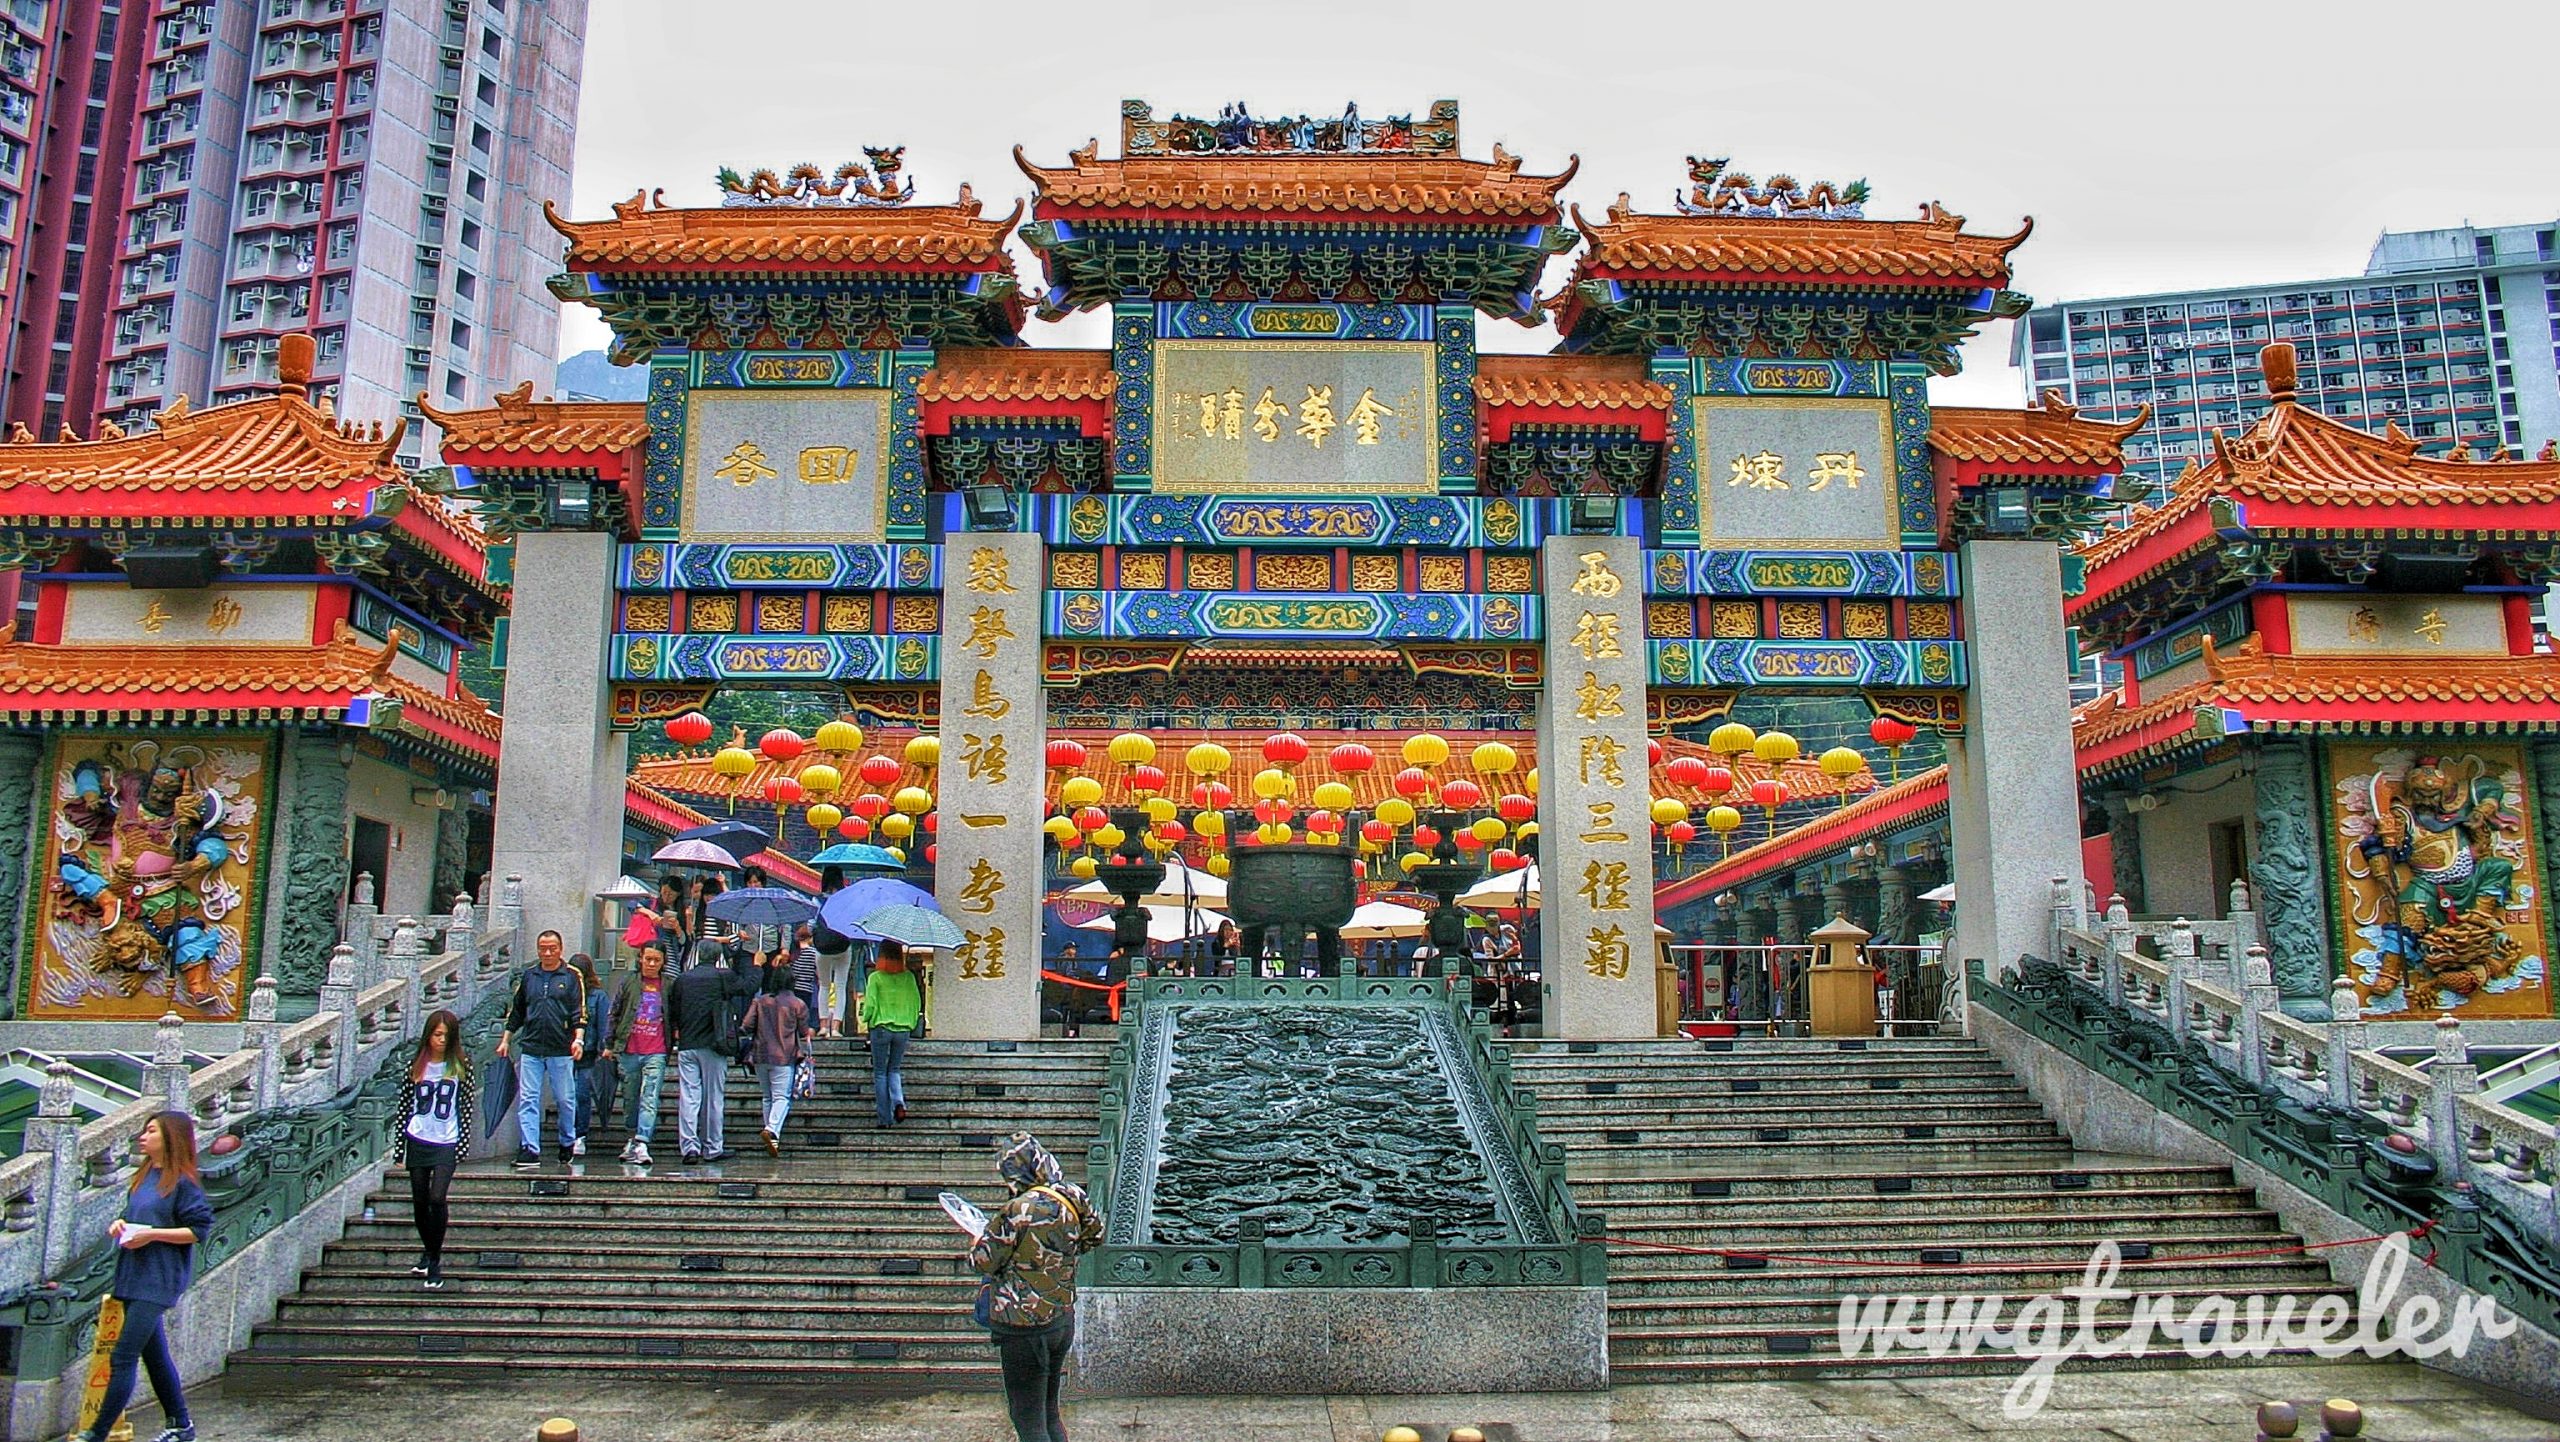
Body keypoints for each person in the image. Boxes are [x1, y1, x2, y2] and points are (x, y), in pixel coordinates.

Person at [80, 1112, 213, 1442]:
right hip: (133, 1274)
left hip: (158, 1279)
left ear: (171, 1138)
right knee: (155, 1356)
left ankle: (96, 1433)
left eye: (151, 1131)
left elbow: (198, 1230)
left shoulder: (182, 1182)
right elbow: (132, 1216)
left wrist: (153, 1235)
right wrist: (120, 1225)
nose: (143, 1136)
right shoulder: (143, 1177)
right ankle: (181, 1425)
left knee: (123, 1355)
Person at [970, 1132, 1103, 1442]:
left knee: (1027, 1419)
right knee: (1049, 1412)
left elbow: (983, 1261)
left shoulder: (1017, 1210)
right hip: (1060, 1319)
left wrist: (978, 1240)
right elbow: (1094, 1237)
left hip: (1023, 1325)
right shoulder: (1071, 1195)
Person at [391, 1008, 474, 1289]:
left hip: (446, 1139)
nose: (440, 1040)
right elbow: (404, 1108)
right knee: (419, 1200)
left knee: (437, 1198)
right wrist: (399, 1150)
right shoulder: (416, 1067)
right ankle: (428, 1251)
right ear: (428, 1036)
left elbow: (465, 1107)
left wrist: (462, 1145)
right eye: (437, 1034)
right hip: (418, 1137)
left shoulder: (461, 1066)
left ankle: (435, 1259)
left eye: (446, 1036)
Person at [497, 929, 587, 1169]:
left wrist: (578, 1039)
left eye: (552, 948)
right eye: (543, 948)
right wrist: (506, 1039)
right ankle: (530, 1148)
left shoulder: (570, 976)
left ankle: (567, 1140)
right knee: (528, 1098)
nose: (547, 953)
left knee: (565, 1099)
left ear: (560, 949)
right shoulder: (529, 977)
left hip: (561, 1048)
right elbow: (517, 1011)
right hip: (532, 1047)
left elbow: (579, 1010)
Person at [606, 946, 673, 1165]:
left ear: (663, 962)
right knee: (630, 1097)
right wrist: (609, 1043)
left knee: (650, 1095)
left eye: (657, 960)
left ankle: (642, 1140)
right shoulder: (629, 982)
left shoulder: (669, 985)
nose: (652, 964)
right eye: (648, 959)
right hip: (629, 1047)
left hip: (656, 1049)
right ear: (641, 959)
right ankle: (632, 1136)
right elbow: (615, 1012)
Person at [668, 945, 733, 1164]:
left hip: (687, 1043)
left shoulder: (683, 979)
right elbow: (748, 986)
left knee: (689, 1096)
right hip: (714, 1044)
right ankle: (713, 1146)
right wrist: (757, 966)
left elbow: (673, 1009)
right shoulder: (722, 978)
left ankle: (689, 1147)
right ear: (717, 957)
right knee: (714, 1097)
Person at [745, 960, 813, 1155]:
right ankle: (772, 1130)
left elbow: (747, 1024)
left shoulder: (760, 1001)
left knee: (767, 1097)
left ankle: (772, 1138)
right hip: (784, 1056)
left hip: (760, 1054)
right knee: (781, 1097)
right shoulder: (798, 1004)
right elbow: (802, 1031)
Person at [860, 940, 922, 1127]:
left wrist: (866, 1020)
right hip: (903, 1028)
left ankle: (884, 1118)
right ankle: (899, 1102)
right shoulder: (908, 976)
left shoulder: (876, 977)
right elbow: (916, 1002)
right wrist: (910, 1023)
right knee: (894, 1069)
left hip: (881, 1028)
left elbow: (870, 1005)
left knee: (880, 1072)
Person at [571, 952, 614, 1154]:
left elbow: (602, 1024)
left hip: (588, 1053)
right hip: (565, 1051)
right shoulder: (566, 992)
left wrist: (604, 1047)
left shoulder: (597, 995)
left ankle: (580, 1134)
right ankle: (569, 1132)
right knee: (567, 1095)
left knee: (582, 1093)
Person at [787, 924, 822, 1033]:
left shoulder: (793, 954)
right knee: (805, 1010)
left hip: (795, 987)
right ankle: (804, 1030)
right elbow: (817, 970)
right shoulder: (813, 953)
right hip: (807, 987)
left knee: (794, 1011)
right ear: (809, 938)